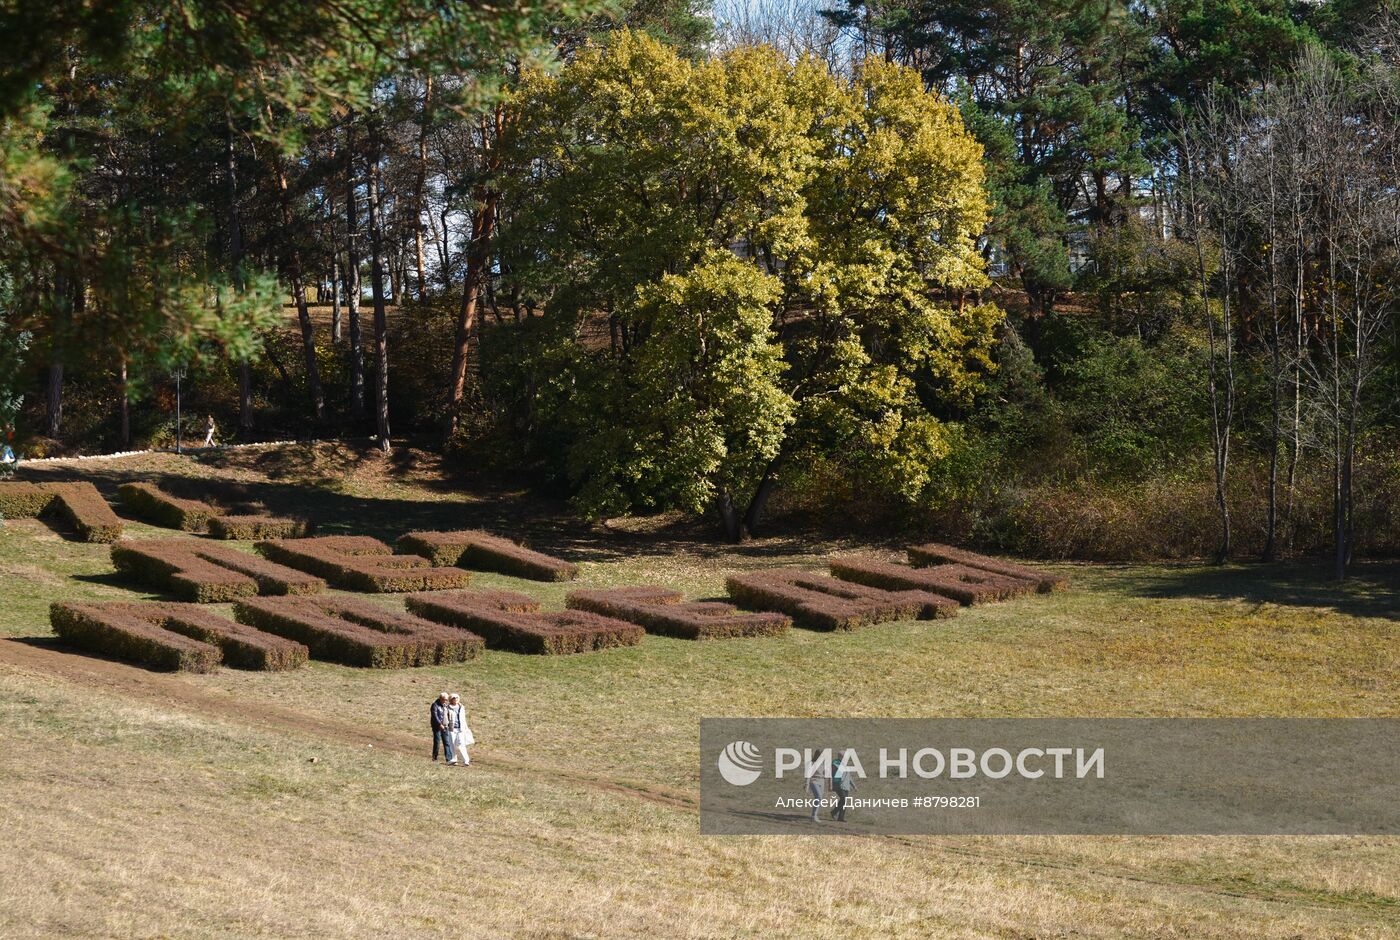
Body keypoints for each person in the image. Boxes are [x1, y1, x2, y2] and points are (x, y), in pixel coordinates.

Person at [447, 692, 473, 766]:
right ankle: (454, 759)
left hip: (460, 728)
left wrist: (465, 727)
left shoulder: (461, 707)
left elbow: (463, 718)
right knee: (452, 744)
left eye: (456, 698)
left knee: (461, 744)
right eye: (453, 698)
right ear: (450, 699)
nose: (455, 699)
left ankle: (466, 760)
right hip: (451, 728)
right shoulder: (447, 707)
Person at [805, 753, 832, 823]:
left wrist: (830, 784)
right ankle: (814, 816)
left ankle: (814, 815)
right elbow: (808, 774)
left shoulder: (824, 764)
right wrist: (807, 784)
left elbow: (829, 774)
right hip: (814, 781)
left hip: (822, 781)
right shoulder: (811, 763)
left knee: (820, 799)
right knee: (819, 797)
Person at [831, 752, 856, 822]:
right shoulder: (835, 763)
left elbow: (849, 776)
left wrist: (854, 785)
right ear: (840, 756)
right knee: (844, 799)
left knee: (844, 801)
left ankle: (840, 817)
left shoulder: (845, 765)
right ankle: (834, 812)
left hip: (846, 785)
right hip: (839, 785)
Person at [430, 692, 452, 763]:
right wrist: (439, 724)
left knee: (447, 743)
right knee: (437, 742)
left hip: (445, 727)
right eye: (444, 699)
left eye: (446, 700)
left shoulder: (445, 705)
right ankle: (435, 758)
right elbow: (435, 716)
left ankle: (449, 759)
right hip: (437, 727)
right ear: (440, 698)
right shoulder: (435, 705)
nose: (446, 701)